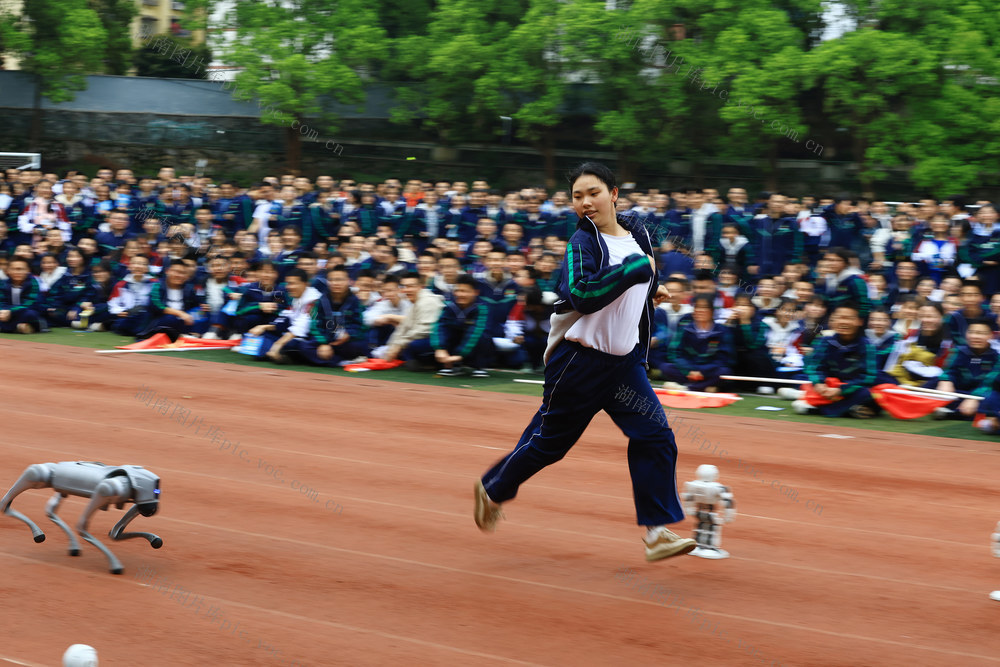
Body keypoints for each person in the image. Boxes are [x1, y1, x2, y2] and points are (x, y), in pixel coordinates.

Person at [475, 162, 696, 562]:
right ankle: (493, 489)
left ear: (613, 194)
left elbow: (640, 277)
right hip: (579, 363)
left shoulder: (638, 232)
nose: (585, 202)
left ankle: (657, 531)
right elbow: (582, 294)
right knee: (548, 445)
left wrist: (651, 292)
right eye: (577, 196)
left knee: (656, 436)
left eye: (592, 192)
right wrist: (632, 272)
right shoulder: (582, 243)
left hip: (624, 364)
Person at [795, 303, 879, 418]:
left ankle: (819, 409)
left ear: (859, 322)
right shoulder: (824, 341)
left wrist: (841, 390)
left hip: (852, 388)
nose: (844, 322)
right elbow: (814, 368)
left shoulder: (867, 346)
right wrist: (819, 384)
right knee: (808, 383)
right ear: (833, 321)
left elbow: (868, 377)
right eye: (839, 318)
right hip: (828, 386)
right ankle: (851, 410)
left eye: (849, 318)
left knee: (867, 393)